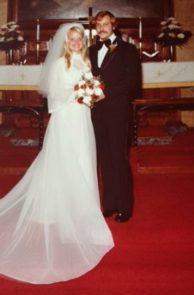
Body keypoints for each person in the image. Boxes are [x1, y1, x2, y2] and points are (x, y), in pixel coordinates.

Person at [0, 23, 114, 285]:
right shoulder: (61, 64)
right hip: (66, 120)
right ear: (65, 42)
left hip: (82, 120)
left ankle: (82, 207)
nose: (75, 43)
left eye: (78, 39)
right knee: (64, 162)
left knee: (84, 161)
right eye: (71, 39)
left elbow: (89, 91)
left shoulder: (85, 62)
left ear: (83, 42)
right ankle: (59, 207)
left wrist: (91, 93)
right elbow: (56, 96)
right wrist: (79, 93)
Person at [89, 11, 141, 223]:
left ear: (114, 26)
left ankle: (124, 207)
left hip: (118, 111)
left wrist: (105, 93)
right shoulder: (91, 50)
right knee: (103, 158)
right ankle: (109, 204)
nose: (102, 28)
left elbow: (133, 83)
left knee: (119, 158)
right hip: (96, 113)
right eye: (98, 25)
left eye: (105, 24)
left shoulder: (128, 49)